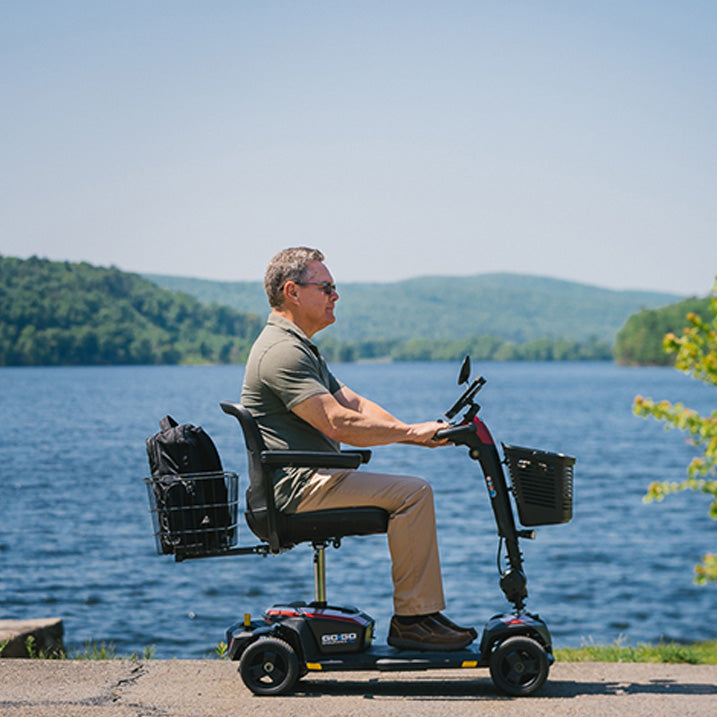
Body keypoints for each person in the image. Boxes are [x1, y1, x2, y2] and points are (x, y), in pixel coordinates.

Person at [240, 247, 475, 651]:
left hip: (313, 477)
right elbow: (338, 423)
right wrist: (409, 434)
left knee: (411, 490)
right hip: (300, 487)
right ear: (293, 292)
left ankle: (420, 615)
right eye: (327, 287)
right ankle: (413, 620)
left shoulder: (298, 346)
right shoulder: (281, 351)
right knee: (413, 494)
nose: (336, 295)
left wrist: (417, 429)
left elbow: (355, 404)